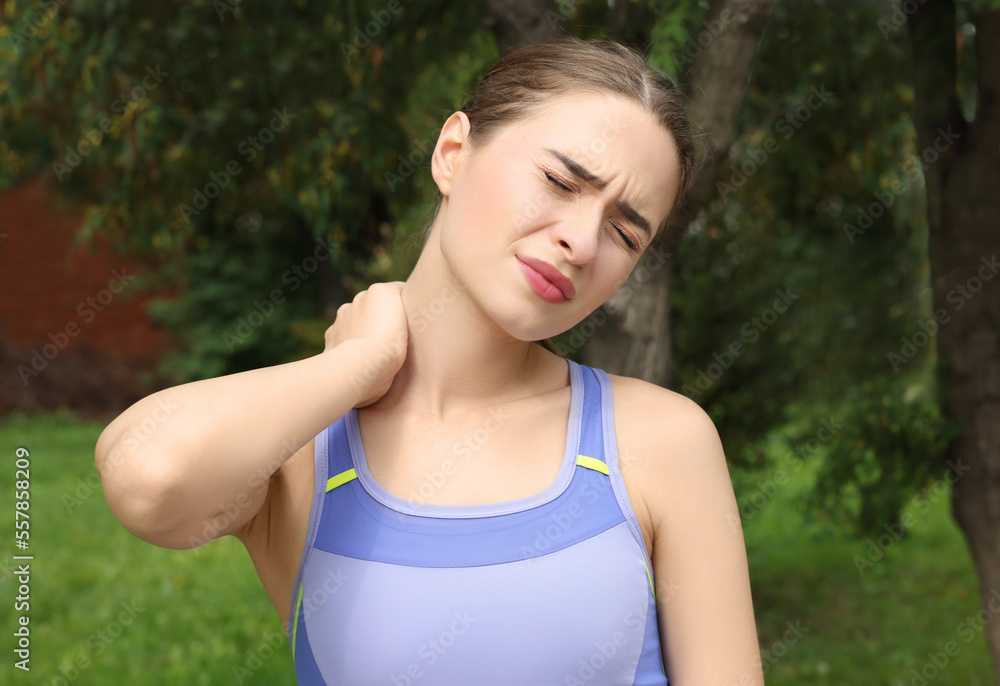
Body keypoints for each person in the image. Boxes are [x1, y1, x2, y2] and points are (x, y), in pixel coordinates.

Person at [96, 36, 764, 686]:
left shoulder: (658, 440)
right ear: (452, 153)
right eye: (560, 181)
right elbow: (149, 482)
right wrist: (360, 363)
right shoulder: (303, 452)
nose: (582, 242)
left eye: (624, 231)